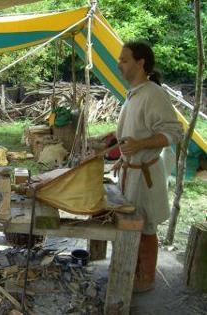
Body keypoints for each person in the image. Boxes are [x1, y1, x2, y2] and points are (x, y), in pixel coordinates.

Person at [114, 40, 183, 292]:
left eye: (124, 60)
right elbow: (134, 128)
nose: (118, 64)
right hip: (130, 171)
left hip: (145, 175)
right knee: (134, 223)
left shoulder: (154, 94)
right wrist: (112, 138)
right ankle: (132, 270)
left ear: (141, 63)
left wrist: (141, 144)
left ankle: (146, 279)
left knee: (145, 226)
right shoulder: (135, 94)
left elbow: (174, 133)